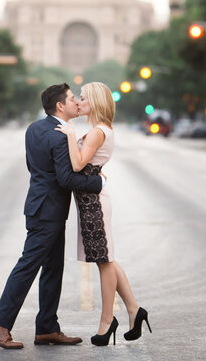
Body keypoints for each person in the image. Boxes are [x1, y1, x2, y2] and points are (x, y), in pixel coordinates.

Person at [0, 83, 104, 350]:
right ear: (60, 106)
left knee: (53, 269)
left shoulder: (34, 129)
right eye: (72, 99)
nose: (76, 103)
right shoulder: (59, 136)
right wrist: (98, 183)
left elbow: (34, 167)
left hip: (40, 206)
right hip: (48, 212)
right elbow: (66, 177)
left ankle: (47, 328)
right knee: (28, 266)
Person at [55, 81, 152, 346]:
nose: (79, 101)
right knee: (106, 258)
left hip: (94, 204)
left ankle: (107, 321)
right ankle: (134, 309)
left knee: (104, 261)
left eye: (83, 98)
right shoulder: (100, 130)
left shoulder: (97, 131)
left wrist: (69, 133)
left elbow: (77, 164)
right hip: (91, 202)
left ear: (95, 102)